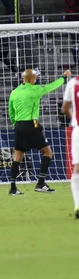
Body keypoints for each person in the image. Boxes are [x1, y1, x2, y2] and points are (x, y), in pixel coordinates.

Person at [8, 69, 70, 195]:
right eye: (35, 78)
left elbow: (11, 111)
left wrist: (16, 124)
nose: (36, 80)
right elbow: (52, 86)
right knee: (47, 152)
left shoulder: (14, 92)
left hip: (19, 126)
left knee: (17, 156)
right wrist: (64, 77)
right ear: (31, 79)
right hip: (31, 124)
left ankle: (13, 188)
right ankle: (40, 183)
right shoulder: (36, 89)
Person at [62, 73, 79, 218]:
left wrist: (73, 118)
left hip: (78, 130)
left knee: (77, 167)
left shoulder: (73, 83)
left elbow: (65, 108)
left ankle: (77, 204)